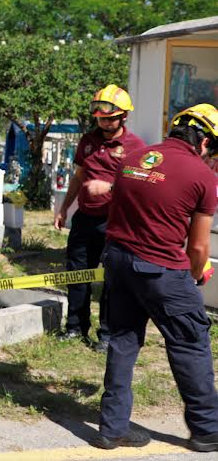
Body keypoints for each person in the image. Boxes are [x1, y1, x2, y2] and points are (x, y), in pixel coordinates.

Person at [91, 103, 218, 452]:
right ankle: (207, 430)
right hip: (162, 270)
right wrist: (197, 272)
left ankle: (112, 428)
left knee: (122, 340)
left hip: (117, 261)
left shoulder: (135, 158)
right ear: (204, 141)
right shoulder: (201, 175)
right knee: (190, 342)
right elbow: (199, 248)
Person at [54, 84, 145, 352]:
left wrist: (109, 188)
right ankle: (74, 328)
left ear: (124, 116)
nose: (104, 122)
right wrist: (64, 209)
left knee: (111, 280)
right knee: (77, 274)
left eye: (110, 117)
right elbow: (79, 177)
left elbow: (139, 186)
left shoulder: (135, 147)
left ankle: (107, 334)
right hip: (84, 219)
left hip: (116, 223)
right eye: (100, 118)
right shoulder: (88, 141)